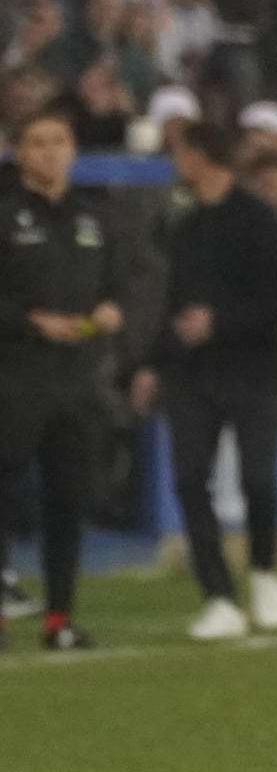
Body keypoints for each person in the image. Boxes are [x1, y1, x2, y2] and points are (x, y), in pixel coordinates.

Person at [130, 121, 277, 640]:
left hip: (253, 370)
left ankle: (265, 569)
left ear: (203, 156)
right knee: (189, 480)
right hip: (192, 373)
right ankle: (219, 596)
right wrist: (152, 364)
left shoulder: (258, 219)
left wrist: (219, 322)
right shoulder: (183, 226)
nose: (175, 162)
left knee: (258, 479)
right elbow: (171, 302)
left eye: (181, 152)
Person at [0, 109, 125, 651]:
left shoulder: (94, 219)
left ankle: (60, 619)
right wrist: (31, 323)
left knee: (68, 500)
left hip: (78, 384)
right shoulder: (6, 216)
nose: (49, 152)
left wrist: (111, 313)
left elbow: (120, 287)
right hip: (13, 378)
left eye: (59, 141)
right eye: (38, 143)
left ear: (73, 150)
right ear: (19, 153)